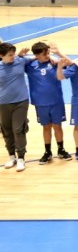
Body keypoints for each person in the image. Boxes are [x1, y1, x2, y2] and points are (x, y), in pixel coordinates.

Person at [21, 42, 71, 163]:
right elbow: (15, 62)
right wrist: (25, 56)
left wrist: (55, 55)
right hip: (40, 103)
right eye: (45, 54)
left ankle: (61, 149)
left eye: (48, 53)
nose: (47, 56)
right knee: (46, 127)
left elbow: (70, 63)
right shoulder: (30, 66)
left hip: (56, 101)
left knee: (57, 126)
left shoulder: (54, 63)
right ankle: (47, 152)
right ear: (37, 55)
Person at [0, 42, 29, 172]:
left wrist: (52, 57)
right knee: (7, 130)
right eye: (10, 55)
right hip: (3, 103)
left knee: (18, 129)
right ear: (1, 56)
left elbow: (38, 57)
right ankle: (12, 156)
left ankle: (21, 157)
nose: (13, 57)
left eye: (14, 54)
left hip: (21, 101)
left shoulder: (20, 61)